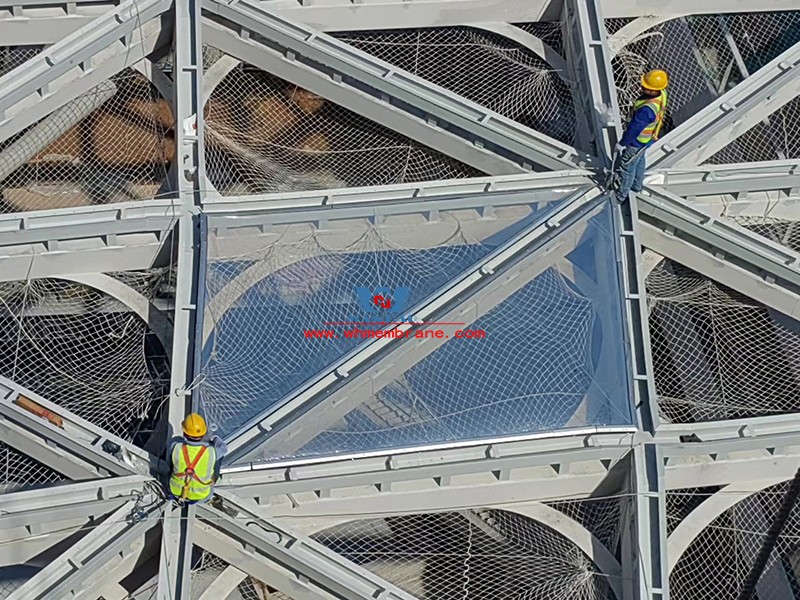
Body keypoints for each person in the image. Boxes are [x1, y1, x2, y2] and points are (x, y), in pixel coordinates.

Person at [614, 69, 669, 202]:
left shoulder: (647, 110)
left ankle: (621, 195)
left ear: (652, 90)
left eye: (646, 87)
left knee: (627, 167)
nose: (642, 87)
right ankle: (636, 186)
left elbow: (635, 128)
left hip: (637, 141)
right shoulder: (662, 94)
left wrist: (622, 143)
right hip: (648, 139)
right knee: (639, 160)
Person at [168, 413, 227, 505]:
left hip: (175, 491)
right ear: (204, 434)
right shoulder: (212, 451)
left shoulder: (175, 446)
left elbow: (169, 465)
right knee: (217, 458)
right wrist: (214, 438)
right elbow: (224, 448)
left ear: (184, 432)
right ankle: (215, 479)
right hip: (202, 496)